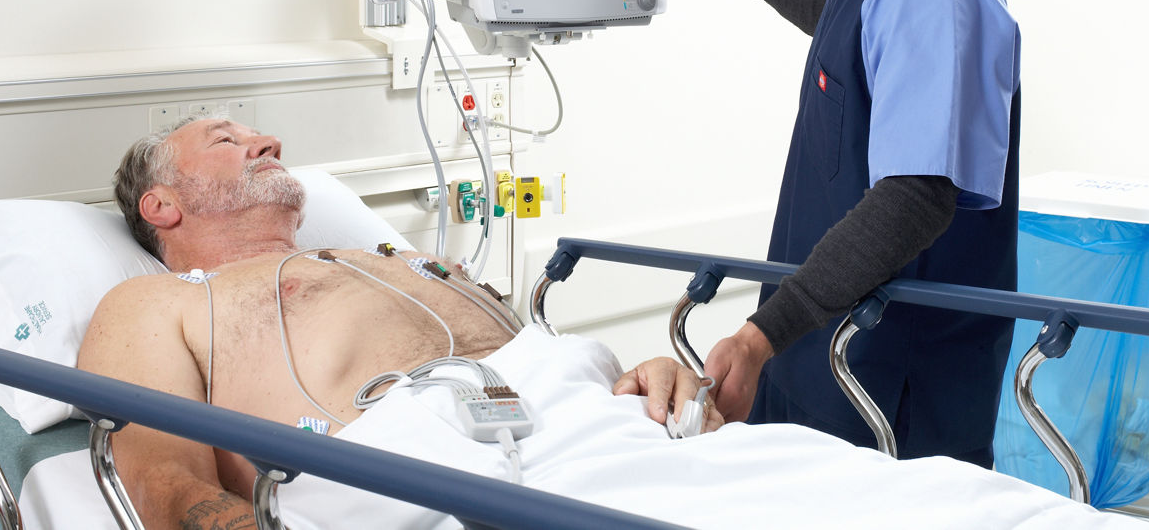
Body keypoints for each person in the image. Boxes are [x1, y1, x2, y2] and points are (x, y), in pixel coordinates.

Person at [80, 115, 717, 530]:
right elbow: (165, 484)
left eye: (261, 134)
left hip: (621, 440)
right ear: (160, 205)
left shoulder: (411, 262)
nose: (269, 142)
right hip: (430, 485)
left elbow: (537, 363)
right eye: (226, 140)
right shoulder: (158, 304)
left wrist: (648, 375)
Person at [667, 0, 1021, 467]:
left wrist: (763, 332)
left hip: (890, 395)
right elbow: (842, 16)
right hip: (825, 361)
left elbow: (916, 195)